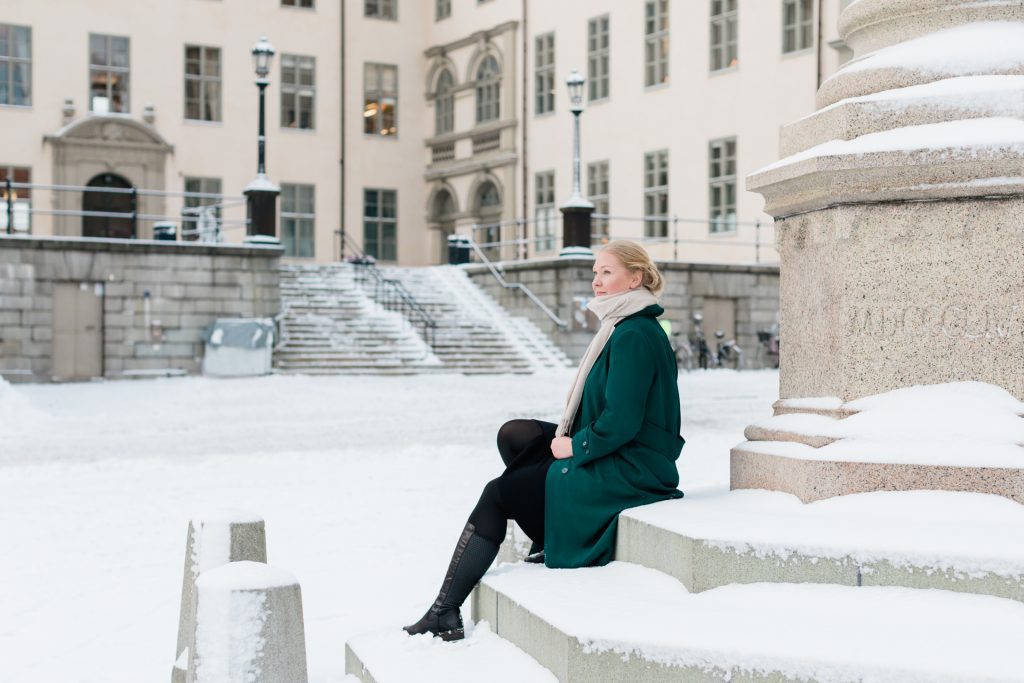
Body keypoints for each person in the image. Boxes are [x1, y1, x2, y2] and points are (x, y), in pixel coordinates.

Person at [403, 240, 685, 641]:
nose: (597, 280)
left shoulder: (634, 333)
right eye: (595, 272)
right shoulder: (622, 324)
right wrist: (569, 438)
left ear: (635, 277)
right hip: (620, 447)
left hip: (631, 464)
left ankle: (444, 610)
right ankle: (548, 530)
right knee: (516, 436)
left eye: (607, 272)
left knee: (498, 494)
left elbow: (622, 421)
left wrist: (576, 446)